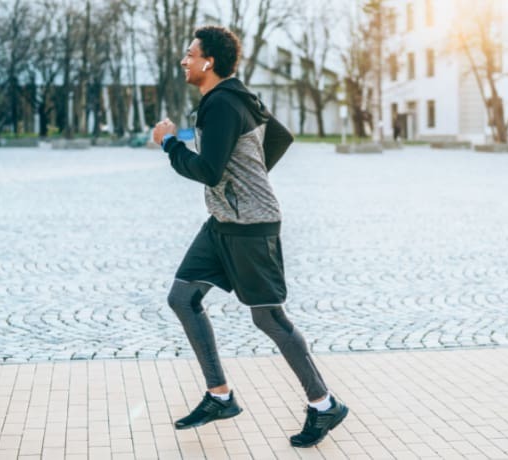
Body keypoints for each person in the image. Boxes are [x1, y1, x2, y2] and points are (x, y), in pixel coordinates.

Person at [152, 25, 348, 449]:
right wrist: (246, 182)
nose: (184, 60)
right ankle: (219, 396)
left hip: (252, 229)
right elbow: (280, 137)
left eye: (190, 54)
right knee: (182, 298)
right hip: (223, 223)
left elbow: (207, 170)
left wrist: (170, 144)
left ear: (209, 62)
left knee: (269, 318)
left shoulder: (223, 104)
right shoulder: (237, 97)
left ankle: (324, 403)